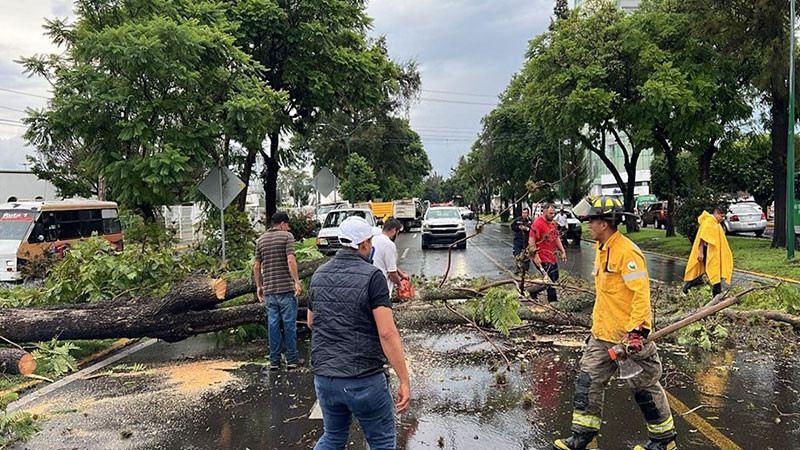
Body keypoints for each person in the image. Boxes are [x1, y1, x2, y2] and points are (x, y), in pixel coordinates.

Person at [554, 195, 676, 450]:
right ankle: (583, 438)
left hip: (627, 336)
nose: (588, 224)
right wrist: (595, 328)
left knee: (643, 387)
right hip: (602, 334)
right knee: (588, 382)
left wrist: (636, 332)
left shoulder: (627, 252)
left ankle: (664, 441)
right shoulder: (602, 248)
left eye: (592, 220)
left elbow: (640, 293)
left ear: (605, 223)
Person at [307, 216, 411, 450]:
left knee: (332, 437)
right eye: (370, 241)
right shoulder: (373, 276)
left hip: (325, 378)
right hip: (363, 378)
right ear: (364, 244)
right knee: (382, 441)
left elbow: (312, 322)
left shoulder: (319, 274)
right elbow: (387, 334)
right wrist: (404, 380)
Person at [254, 211, 303, 371]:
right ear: (282, 224)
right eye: (287, 225)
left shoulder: (260, 240)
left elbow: (256, 266)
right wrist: (296, 281)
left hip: (269, 290)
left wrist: (259, 286)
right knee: (289, 324)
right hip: (286, 289)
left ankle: (274, 361)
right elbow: (290, 259)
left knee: (273, 324)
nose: (288, 228)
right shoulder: (286, 237)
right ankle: (292, 360)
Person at [682, 205, 733, 298]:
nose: (723, 218)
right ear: (716, 213)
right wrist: (701, 253)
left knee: (710, 271)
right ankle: (716, 295)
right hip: (707, 251)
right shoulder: (709, 222)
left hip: (713, 252)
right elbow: (702, 239)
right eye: (721, 216)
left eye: (724, 216)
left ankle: (689, 287)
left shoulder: (715, 223)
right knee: (714, 272)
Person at [529, 204, 568, 302]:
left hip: (551, 256)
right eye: (551, 213)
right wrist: (535, 256)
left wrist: (563, 251)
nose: (553, 215)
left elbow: (556, 238)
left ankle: (533, 290)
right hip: (541, 257)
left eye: (554, 213)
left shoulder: (552, 223)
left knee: (555, 277)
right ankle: (553, 303)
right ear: (544, 212)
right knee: (551, 281)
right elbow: (531, 241)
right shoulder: (537, 223)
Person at [371, 218, 410, 295]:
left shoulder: (373, 239)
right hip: (382, 287)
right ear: (394, 230)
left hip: (371, 283)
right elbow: (391, 272)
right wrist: (400, 285)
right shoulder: (389, 244)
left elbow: (387, 263)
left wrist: (401, 274)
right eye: (397, 233)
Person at [511, 208, 533, 273]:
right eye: (523, 213)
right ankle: (518, 268)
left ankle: (526, 270)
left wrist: (527, 229)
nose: (524, 214)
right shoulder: (518, 220)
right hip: (518, 240)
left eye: (526, 213)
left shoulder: (530, 221)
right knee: (517, 254)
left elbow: (533, 230)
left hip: (526, 241)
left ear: (528, 214)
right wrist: (518, 227)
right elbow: (512, 227)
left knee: (527, 256)